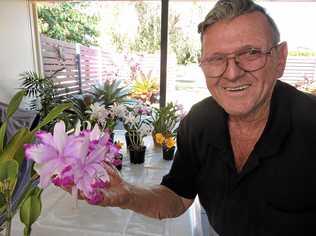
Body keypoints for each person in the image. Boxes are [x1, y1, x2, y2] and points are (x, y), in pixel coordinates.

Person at [91, 0, 316, 235]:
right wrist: (127, 194)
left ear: (280, 59)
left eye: (251, 53)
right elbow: (177, 197)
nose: (232, 73)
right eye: (216, 59)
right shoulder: (199, 121)